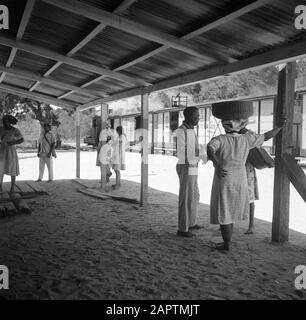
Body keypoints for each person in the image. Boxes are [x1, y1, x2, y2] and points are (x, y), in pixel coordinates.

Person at [207, 118, 285, 251]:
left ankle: (226, 244)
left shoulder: (219, 139)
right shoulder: (246, 139)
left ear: (226, 127)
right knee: (231, 211)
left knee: (225, 211)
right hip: (240, 178)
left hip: (224, 178)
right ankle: (227, 243)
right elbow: (265, 136)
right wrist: (278, 128)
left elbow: (210, 149)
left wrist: (217, 163)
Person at [175, 107, 207, 237]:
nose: (198, 117)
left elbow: (194, 149)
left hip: (193, 165)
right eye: (196, 115)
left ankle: (191, 223)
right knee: (186, 197)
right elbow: (182, 153)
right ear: (188, 116)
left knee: (195, 195)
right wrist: (200, 154)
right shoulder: (181, 131)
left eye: (198, 115)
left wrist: (201, 153)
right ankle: (182, 229)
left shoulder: (190, 130)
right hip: (186, 166)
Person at [0, 115, 24, 193]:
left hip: (11, 152)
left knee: (12, 169)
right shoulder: (1, 129)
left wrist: (14, 142)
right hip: (2, 151)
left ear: (10, 122)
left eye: (6, 121)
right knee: (1, 169)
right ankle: (0, 187)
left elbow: (22, 139)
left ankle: (12, 188)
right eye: (4, 121)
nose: (4, 123)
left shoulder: (15, 130)